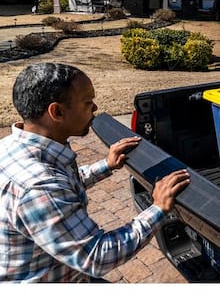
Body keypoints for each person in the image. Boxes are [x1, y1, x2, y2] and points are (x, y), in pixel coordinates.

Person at [0, 62, 190, 282]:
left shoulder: (14, 146)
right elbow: (97, 256)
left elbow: (63, 186)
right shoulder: (38, 186)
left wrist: (106, 165)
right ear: (57, 111)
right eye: (87, 102)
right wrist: (157, 208)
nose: (95, 108)